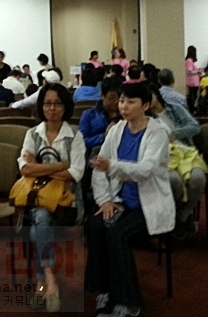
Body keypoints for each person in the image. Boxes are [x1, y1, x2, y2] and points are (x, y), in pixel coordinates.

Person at [86, 82, 175, 317]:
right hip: (120, 201)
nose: (124, 106)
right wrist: (105, 200)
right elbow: (99, 168)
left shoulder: (157, 133)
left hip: (148, 204)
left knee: (117, 235)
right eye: (122, 101)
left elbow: (145, 170)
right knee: (95, 225)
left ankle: (129, 302)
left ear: (145, 105)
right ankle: (105, 290)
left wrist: (111, 165)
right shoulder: (116, 130)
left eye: (131, 102)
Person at [18, 83, 85, 312]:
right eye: (47, 103)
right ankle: (50, 279)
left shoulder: (74, 135)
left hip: (67, 203)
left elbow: (76, 173)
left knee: (37, 229)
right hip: (38, 199)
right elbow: (24, 169)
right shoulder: (32, 134)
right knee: (41, 217)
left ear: (65, 107)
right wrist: (60, 166)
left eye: (57, 104)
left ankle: (41, 284)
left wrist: (39, 168)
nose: (52, 108)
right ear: (41, 106)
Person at [148, 85, 205, 240]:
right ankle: (179, 216)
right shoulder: (145, 117)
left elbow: (194, 126)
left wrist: (174, 134)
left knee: (198, 178)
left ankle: (181, 217)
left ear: (156, 95)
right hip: (164, 156)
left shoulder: (174, 108)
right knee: (174, 181)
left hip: (186, 153)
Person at [78, 78, 122, 156]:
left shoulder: (126, 114)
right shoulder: (89, 115)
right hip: (97, 156)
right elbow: (81, 141)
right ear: (102, 95)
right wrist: (104, 136)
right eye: (112, 97)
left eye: (120, 98)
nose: (117, 101)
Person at [184, 45, 201, 113]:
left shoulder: (191, 61)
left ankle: (193, 109)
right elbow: (189, 71)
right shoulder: (189, 61)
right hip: (192, 82)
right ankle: (192, 110)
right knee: (192, 97)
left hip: (194, 82)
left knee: (194, 97)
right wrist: (197, 71)